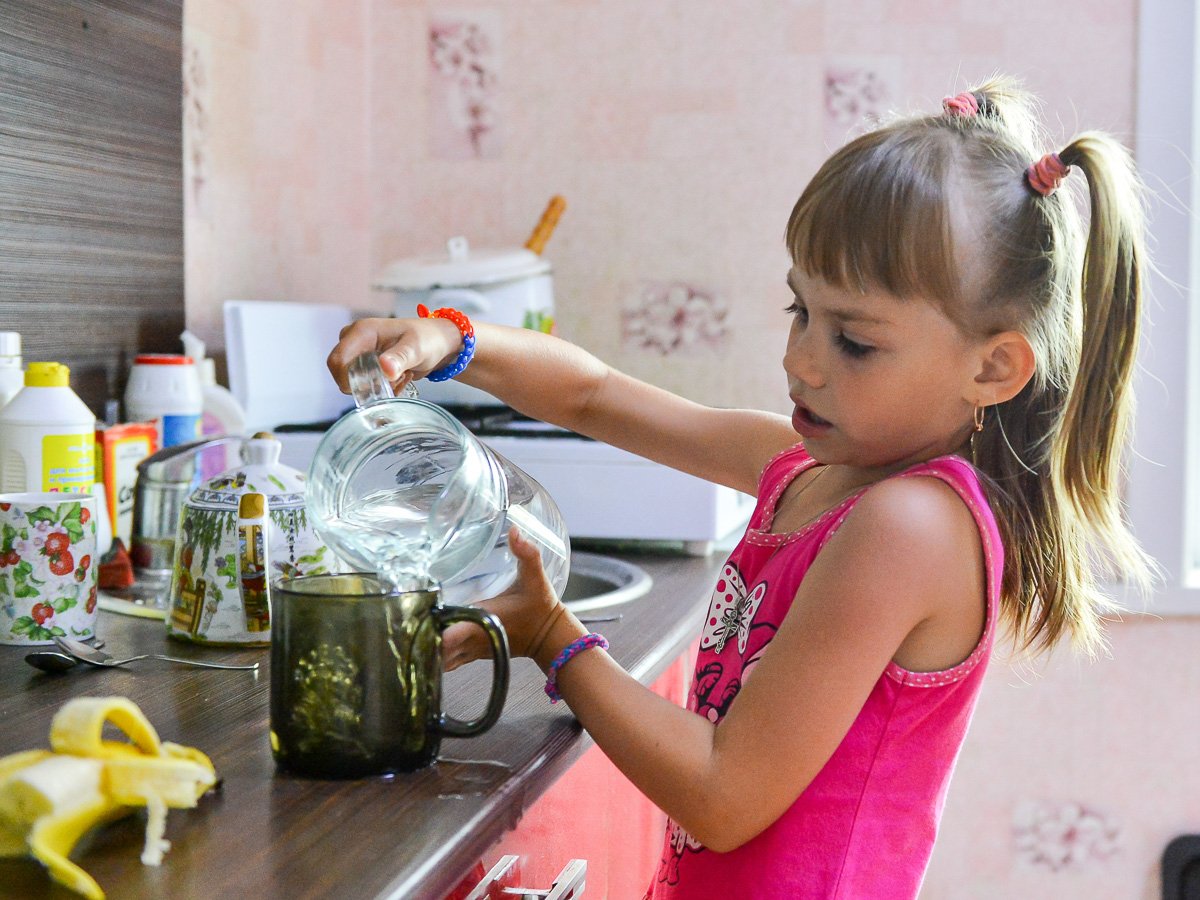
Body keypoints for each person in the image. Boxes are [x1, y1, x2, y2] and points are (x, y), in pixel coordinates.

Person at [327, 77, 1156, 898]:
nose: (800, 360)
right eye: (800, 310)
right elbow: (595, 397)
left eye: (854, 342)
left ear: (993, 367)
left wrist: (554, 634)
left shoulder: (909, 526)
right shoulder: (811, 473)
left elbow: (724, 798)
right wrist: (449, 338)